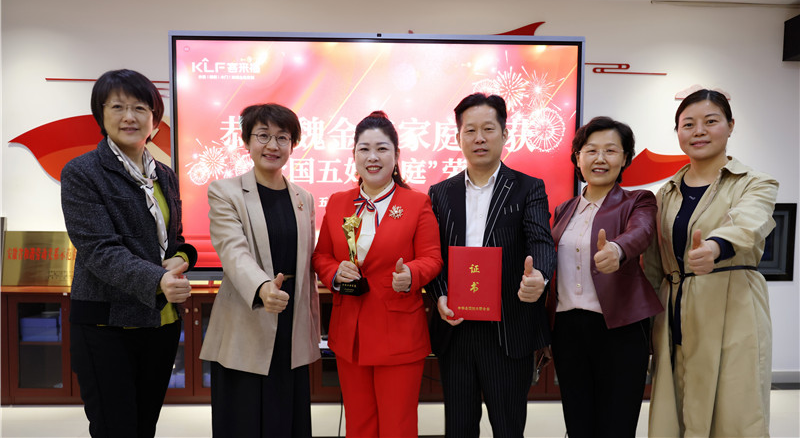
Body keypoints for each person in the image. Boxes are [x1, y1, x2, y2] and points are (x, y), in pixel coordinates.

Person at [61, 69, 197, 438]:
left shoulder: (163, 175)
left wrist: (183, 258)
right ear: (101, 115)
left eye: (140, 108)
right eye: (117, 107)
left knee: (143, 427)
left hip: (160, 323)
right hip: (106, 325)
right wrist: (158, 278)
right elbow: (99, 250)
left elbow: (173, 240)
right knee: (115, 428)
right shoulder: (83, 172)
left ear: (155, 118)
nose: (129, 117)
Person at [645, 89, 777, 437]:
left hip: (734, 308)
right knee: (675, 409)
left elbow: (749, 222)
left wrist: (716, 247)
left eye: (711, 121)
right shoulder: (666, 193)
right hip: (674, 311)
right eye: (688, 124)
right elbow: (654, 264)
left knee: (734, 411)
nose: (699, 131)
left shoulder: (755, 183)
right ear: (678, 132)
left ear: (731, 125)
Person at [426, 93, 556, 437]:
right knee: (459, 427)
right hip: (456, 326)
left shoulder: (528, 188)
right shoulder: (440, 193)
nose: (479, 138)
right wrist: (440, 296)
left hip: (507, 328)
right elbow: (432, 254)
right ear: (458, 137)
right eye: (470, 130)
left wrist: (539, 277)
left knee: (508, 427)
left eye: (488, 129)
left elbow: (541, 241)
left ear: (504, 133)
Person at [312, 111, 443, 437]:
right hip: (350, 334)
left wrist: (411, 274)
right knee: (359, 425)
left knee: (398, 426)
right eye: (364, 149)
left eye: (382, 149)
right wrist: (334, 272)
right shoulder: (338, 202)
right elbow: (321, 255)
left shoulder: (416, 203)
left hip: (398, 333)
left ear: (396, 156)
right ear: (354, 154)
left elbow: (432, 259)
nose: (373, 157)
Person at [199, 103, 320, 437]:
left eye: (282, 137)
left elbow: (309, 258)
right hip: (246, 324)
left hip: (291, 327)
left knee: (287, 423)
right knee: (244, 423)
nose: (273, 145)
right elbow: (232, 251)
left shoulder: (304, 198)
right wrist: (263, 287)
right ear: (247, 141)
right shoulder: (225, 191)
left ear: (293, 144)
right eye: (263, 136)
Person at [549, 116, 662, 437]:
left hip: (620, 329)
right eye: (591, 150)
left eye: (611, 151)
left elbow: (642, 232)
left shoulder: (638, 201)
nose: (600, 159)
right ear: (577, 158)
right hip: (568, 329)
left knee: (617, 424)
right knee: (578, 423)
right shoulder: (563, 210)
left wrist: (618, 249)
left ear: (625, 159)